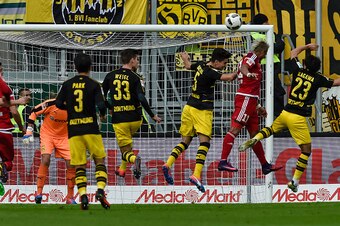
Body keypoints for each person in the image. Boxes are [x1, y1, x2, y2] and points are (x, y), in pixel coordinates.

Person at [239, 43, 340, 192]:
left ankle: (255, 138)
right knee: (306, 150)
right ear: (317, 68)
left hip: (285, 112)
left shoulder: (298, 70)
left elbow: (293, 52)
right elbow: (336, 82)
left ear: (305, 64)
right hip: (297, 117)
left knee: (271, 129)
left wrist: (307, 47)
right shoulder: (319, 78)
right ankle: (294, 181)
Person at [162, 48, 237, 193]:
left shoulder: (202, 64)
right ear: (215, 62)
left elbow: (189, 66)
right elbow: (229, 78)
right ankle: (196, 175)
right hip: (201, 110)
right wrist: (241, 69)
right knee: (205, 142)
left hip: (189, 107)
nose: (225, 66)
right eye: (224, 63)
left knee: (185, 142)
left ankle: (167, 164)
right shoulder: (211, 72)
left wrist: (185, 58)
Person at [218, 40, 282, 174]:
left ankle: (265, 165)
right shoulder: (252, 57)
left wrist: (257, 106)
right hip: (245, 99)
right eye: (265, 53)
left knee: (255, 135)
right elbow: (243, 68)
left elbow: (249, 80)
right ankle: (223, 161)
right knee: (234, 130)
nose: (265, 56)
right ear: (261, 51)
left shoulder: (253, 60)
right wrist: (248, 73)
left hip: (251, 101)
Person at [55, 53, 110, 210]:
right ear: (91, 67)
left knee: (79, 165)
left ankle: (83, 196)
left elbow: (58, 104)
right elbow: (101, 105)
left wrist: (70, 109)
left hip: (74, 129)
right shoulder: (93, 84)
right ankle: (100, 190)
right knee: (99, 160)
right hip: (91, 128)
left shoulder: (67, 84)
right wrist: (103, 114)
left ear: (74, 67)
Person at [102, 49, 161, 180]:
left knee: (125, 150)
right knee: (128, 144)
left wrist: (109, 107)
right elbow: (141, 98)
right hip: (135, 119)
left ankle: (135, 159)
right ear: (132, 60)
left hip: (120, 118)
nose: (138, 62)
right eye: (137, 59)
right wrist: (152, 115)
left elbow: (103, 96)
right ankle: (122, 169)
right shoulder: (136, 78)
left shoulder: (110, 76)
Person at [23, 95, 76, 204]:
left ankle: (70, 198)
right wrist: (29, 130)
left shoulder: (75, 107)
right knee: (46, 159)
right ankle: (38, 193)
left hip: (64, 137)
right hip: (47, 135)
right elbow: (34, 112)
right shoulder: (51, 103)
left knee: (71, 164)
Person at [251, 13, 286, 117]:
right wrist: (271, 47)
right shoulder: (251, 34)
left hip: (272, 66)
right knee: (265, 92)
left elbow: (280, 46)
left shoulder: (271, 33)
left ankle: (276, 117)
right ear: (263, 23)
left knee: (276, 92)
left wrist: (268, 47)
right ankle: (262, 117)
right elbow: (272, 47)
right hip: (260, 66)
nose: (269, 24)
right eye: (267, 22)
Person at [0, 62, 26, 186]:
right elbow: (14, 112)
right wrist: (21, 128)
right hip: (4, 129)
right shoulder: (6, 88)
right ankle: (3, 166)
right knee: (8, 162)